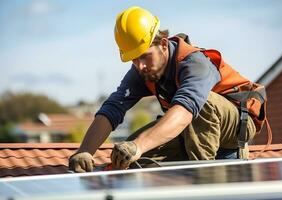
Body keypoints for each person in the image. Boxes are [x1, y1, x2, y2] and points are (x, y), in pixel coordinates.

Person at [69, 6, 266, 172]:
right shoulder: (142, 70)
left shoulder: (195, 64)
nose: (140, 66)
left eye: (145, 56)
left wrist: (139, 145)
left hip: (236, 124)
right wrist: (85, 151)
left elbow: (185, 111)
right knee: (126, 154)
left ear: (163, 44)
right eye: (134, 59)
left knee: (202, 103)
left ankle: (204, 176)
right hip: (192, 124)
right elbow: (113, 108)